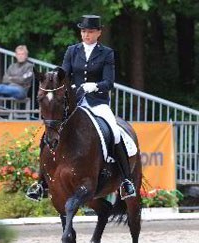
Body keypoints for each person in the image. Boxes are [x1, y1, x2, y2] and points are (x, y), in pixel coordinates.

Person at [26, 14, 136, 201]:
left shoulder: (106, 53)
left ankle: (125, 181)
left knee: (115, 133)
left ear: (98, 33)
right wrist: (61, 82)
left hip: (98, 102)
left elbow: (109, 82)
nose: (86, 35)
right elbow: (64, 74)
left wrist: (94, 86)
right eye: (84, 31)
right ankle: (41, 182)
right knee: (49, 133)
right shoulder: (72, 50)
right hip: (75, 102)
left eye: (90, 31)